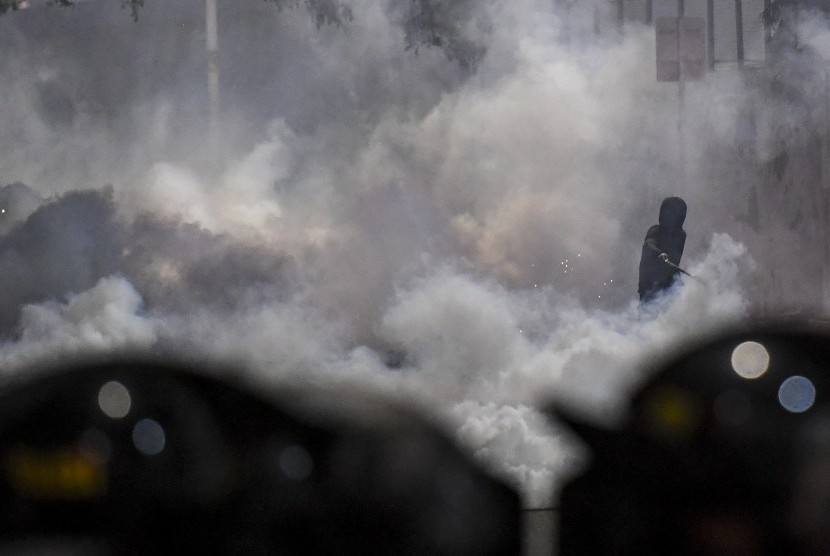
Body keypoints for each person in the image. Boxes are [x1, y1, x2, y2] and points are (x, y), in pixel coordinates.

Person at [638, 197, 687, 303]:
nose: (670, 217)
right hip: (650, 284)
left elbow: (674, 260)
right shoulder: (655, 230)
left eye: (674, 214)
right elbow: (649, 244)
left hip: (669, 284)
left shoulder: (680, 236)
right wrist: (659, 253)